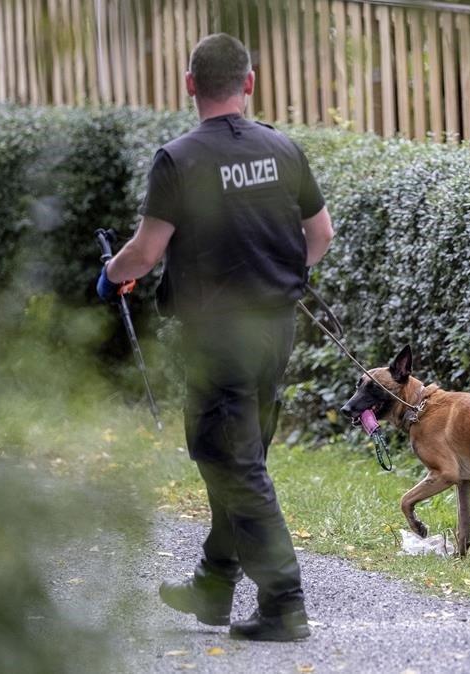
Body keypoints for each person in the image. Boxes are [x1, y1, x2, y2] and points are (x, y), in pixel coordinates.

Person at [96, 33, 334, 642]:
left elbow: (144, 254)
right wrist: (282, 276)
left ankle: (285, 603)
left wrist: (110, 276)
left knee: (231, 462)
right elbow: (322, 235)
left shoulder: (179, 159)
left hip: (218, 336)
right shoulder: (284, 149)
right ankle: (213, 583)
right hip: (276, 329)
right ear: (249, 83)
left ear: (189, 84)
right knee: (242, 457)